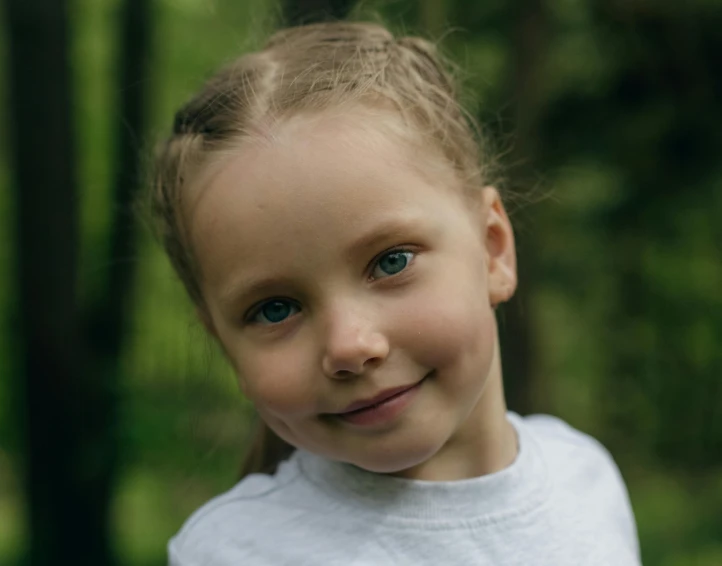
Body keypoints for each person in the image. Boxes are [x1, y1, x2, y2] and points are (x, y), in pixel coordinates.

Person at [152, 20, 640, 566]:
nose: (348, 345)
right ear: (225, 345)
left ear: (493, 250)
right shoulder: (235, 552)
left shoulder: (584, 479)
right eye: (275, 309)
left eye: (391, 262)